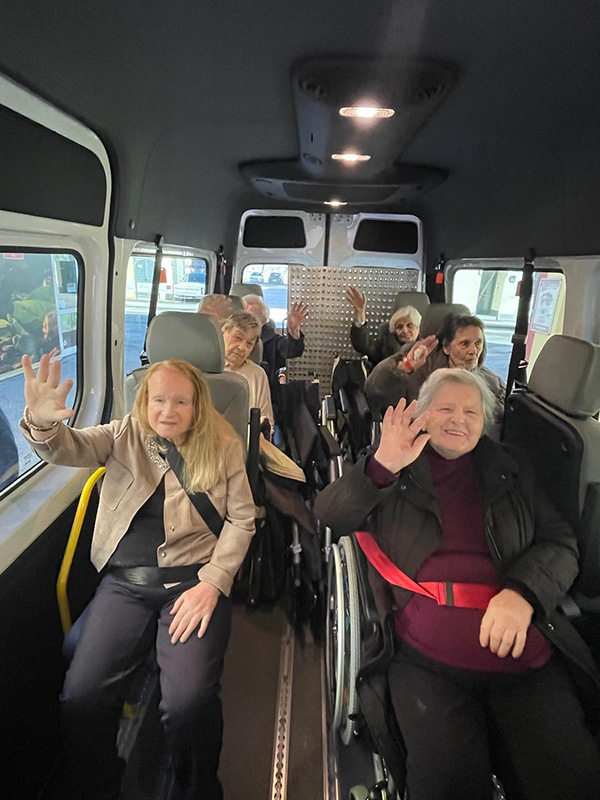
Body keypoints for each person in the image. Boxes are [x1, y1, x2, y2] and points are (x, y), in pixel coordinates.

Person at [315, 369, 600, 800]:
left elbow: (560, 544)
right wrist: (382, 463)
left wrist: (522, 594)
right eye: (445, 407)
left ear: (485, 421)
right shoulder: (395, 468)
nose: (458, 419)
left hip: (523, 657)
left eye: (471, 411)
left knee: (571, 781)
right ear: (423, 414)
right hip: (426, 662)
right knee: (448, 786)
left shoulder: (513, 467)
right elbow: (330, 514)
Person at [20, 353, 255, 800]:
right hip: (125, 583)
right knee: (81, 698)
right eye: (159, 400)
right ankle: (99, 785)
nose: (168, 411)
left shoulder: (222, 444)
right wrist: (43, 423)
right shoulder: (123, 434)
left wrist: (213, 581)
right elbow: (67, 447)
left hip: (193, 581)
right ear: (144, 401)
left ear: (197, 405)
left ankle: (199, 787)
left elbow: (243, 521)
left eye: (181, 402)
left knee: (187, 704)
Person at [365, 314, 506, 424]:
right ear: (446, 347)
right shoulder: (417, 372)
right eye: (464, 344)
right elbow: (376, 394)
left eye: (478, 343)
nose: (473, 350)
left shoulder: (492, 384)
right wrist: (404, 368)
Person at [241, 294, 308, 395]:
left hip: (264, 392)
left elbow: (291, 350)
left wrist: (293, 330)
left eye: (255, 317)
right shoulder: (227, 336)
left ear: (263, 321)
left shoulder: (272, 340)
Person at [221, 311, 274, 427]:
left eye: (249, 344)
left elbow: (266, 423)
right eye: (238, 337)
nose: (242, 347)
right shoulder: (201, 368)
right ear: (223, 332)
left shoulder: (257, 375)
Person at [346, 285, 421, 365]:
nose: (405, 330)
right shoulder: (385, 346)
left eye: (410, 326)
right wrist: (360, 314)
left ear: (418, 327)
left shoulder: (428, 349)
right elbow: (364, 345)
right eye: (399, 327)